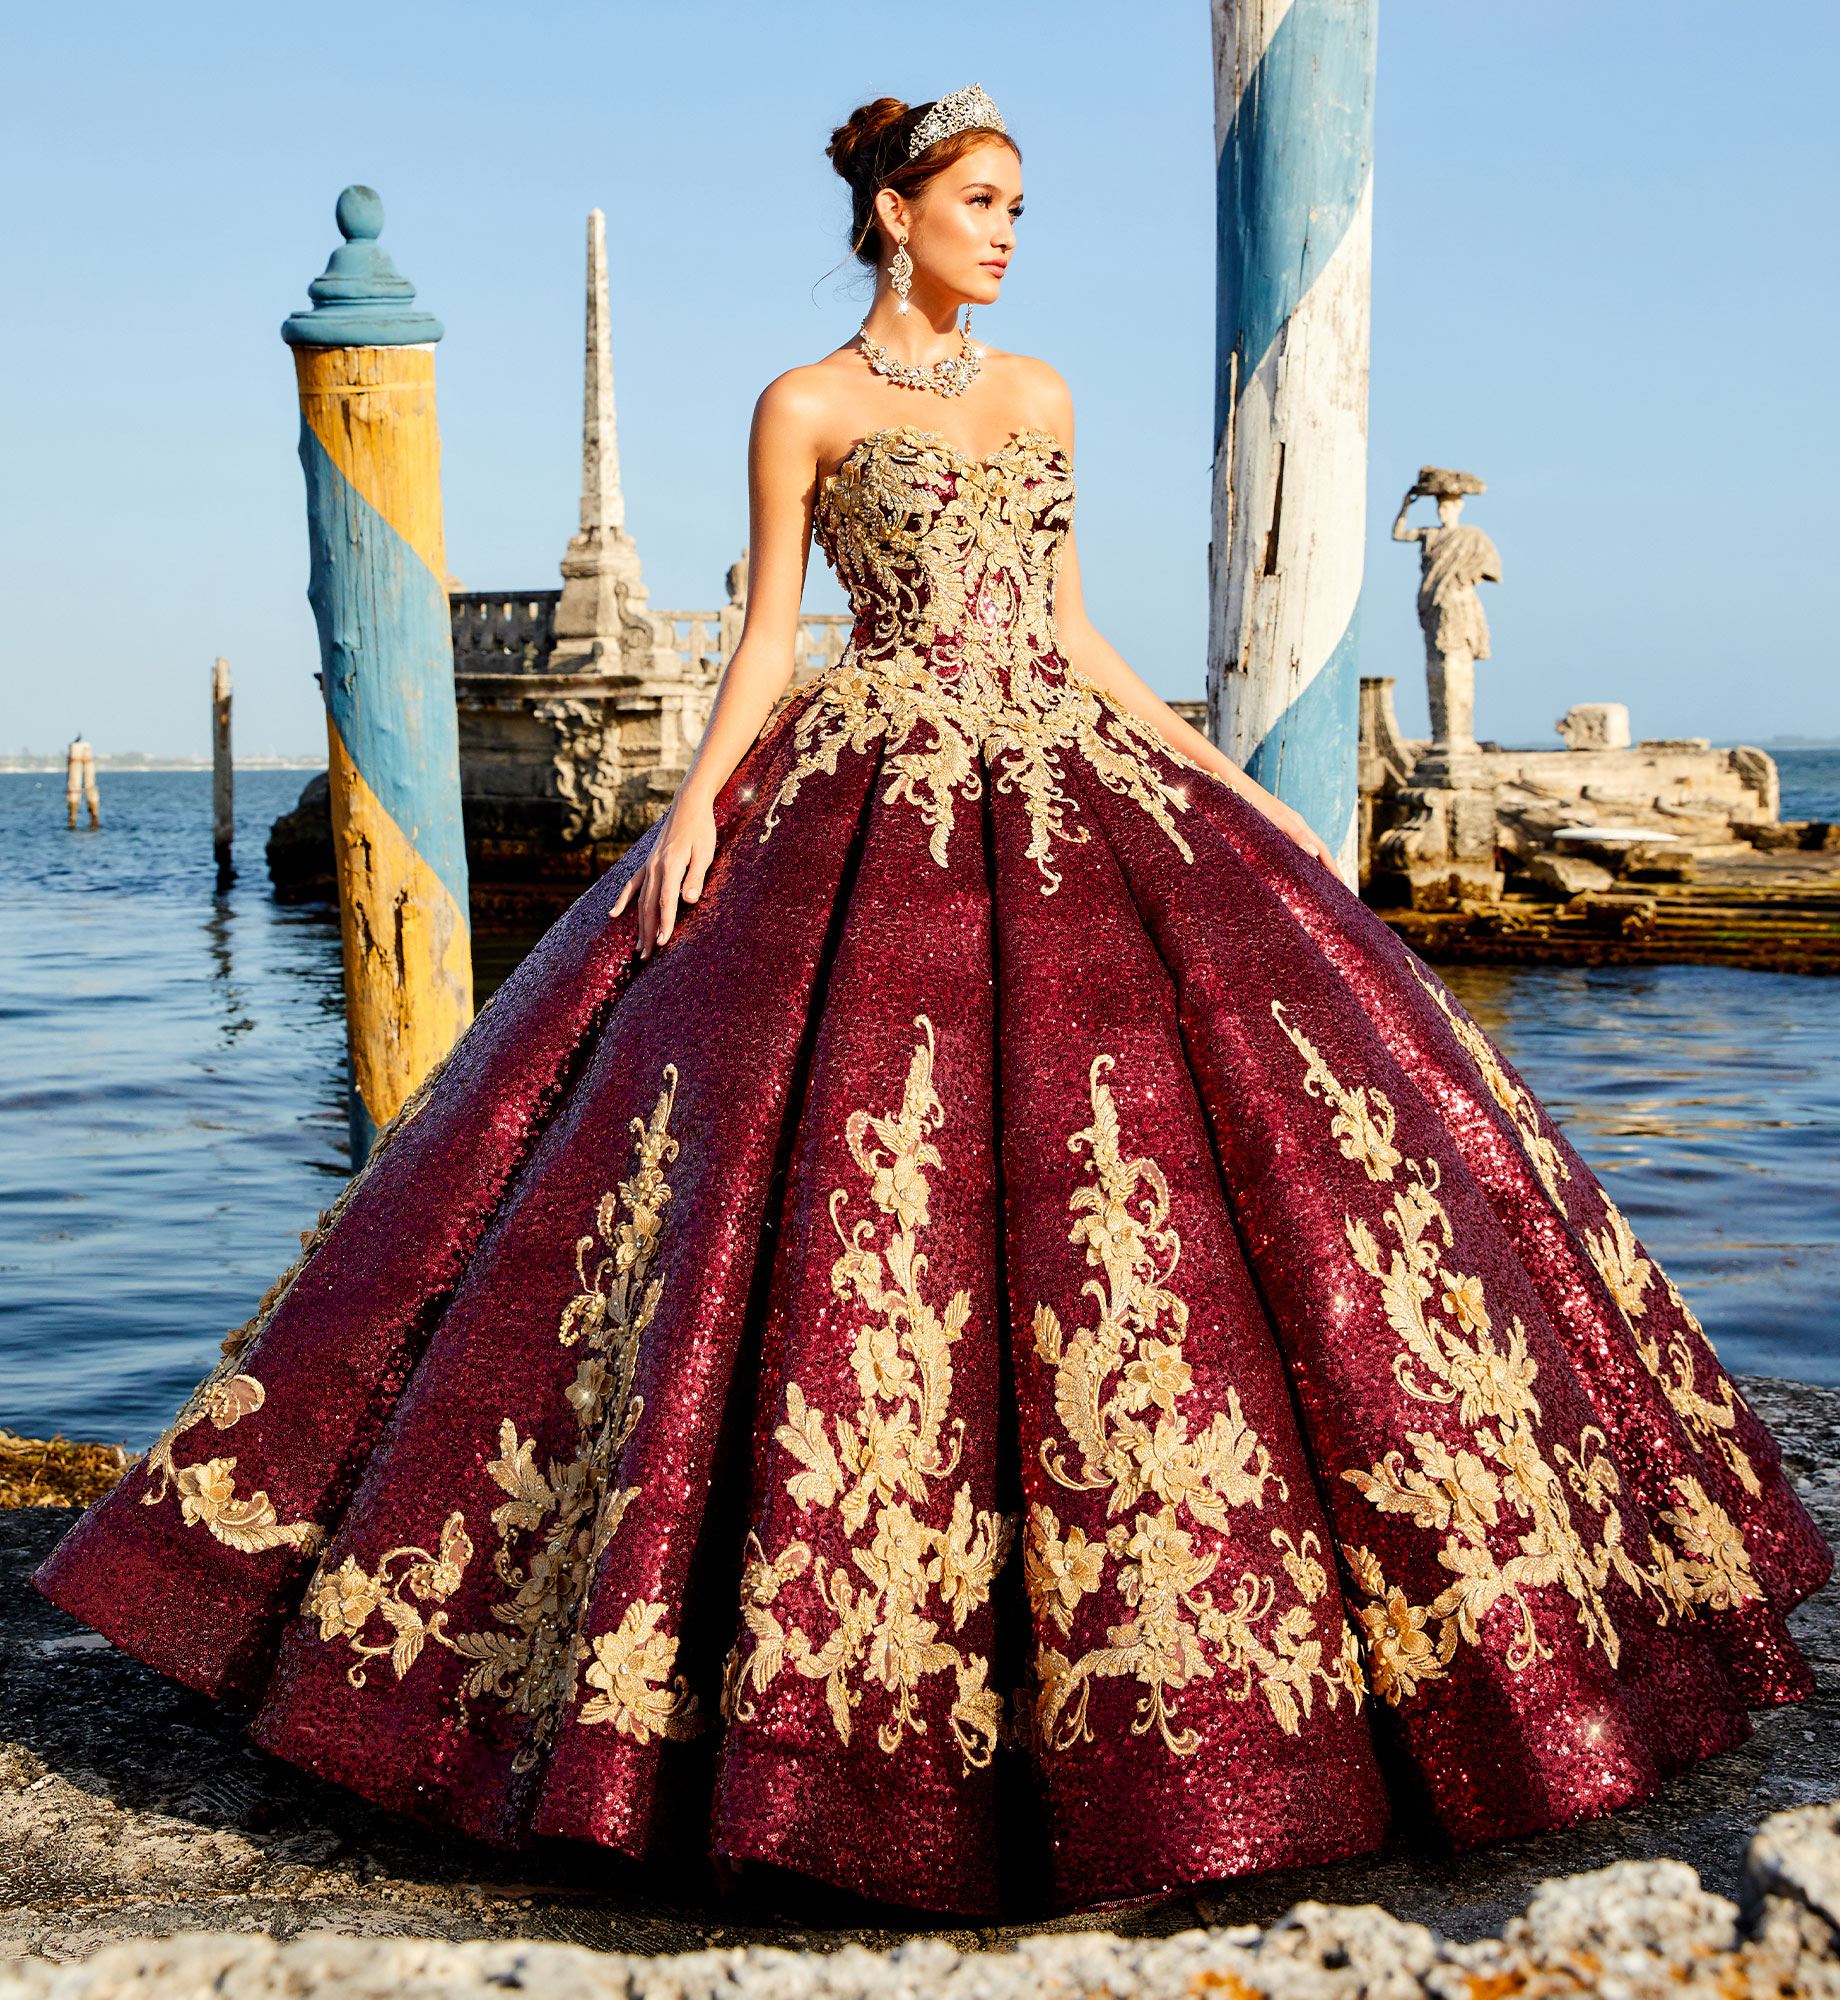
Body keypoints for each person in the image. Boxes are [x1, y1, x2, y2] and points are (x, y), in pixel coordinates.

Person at [34, 85, 1829, 1922]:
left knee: (1187, 1161)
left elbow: (1064, 625)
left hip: (1066, 777)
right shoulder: (800, 406)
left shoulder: (1039, 395)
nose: (1009, 232)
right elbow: (764, 644)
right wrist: (693, 809)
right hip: (864, 783)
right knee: (815, 1172)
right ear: (894, 214)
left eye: (1021, 206)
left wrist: (1223, 776)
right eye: (982, 202)